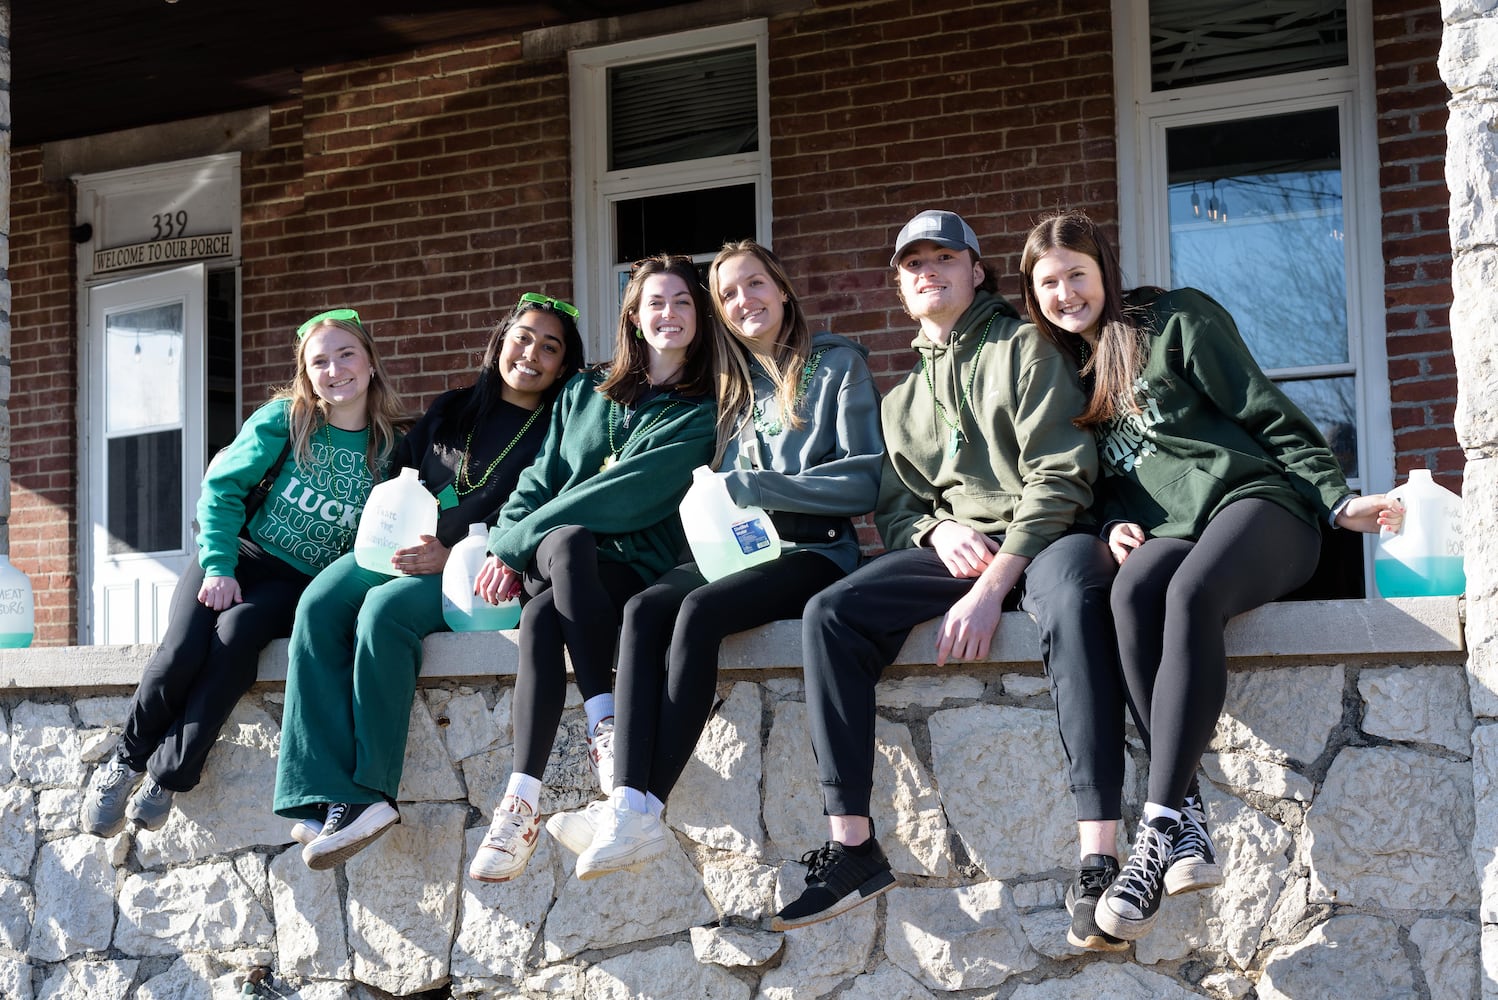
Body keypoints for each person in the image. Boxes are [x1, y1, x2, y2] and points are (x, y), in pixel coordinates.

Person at [1019, 210, 1397, 943]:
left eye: (1077, 273)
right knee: (1131, 591)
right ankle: (1189, 825)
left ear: (1104, 270)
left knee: (1189, 594)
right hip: (1175, 532)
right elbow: (1102, 484)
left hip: (1263, 505)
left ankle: (1157, 827)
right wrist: (1107, 524)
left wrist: (1336, 495)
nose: (1067, 292)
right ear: (1034, 299)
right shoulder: (1072, 380)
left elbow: (1268, 411)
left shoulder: (1175, 320)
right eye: (1049, 284)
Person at [771, 210, 1125, 932]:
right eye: (911, 264)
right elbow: (897, 512)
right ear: (899, 286)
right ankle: (853, 848)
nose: (926, 271)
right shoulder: (903, 401)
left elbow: (1061, 477)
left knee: (1071, 601)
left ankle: (1099, 858)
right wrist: (939, 527)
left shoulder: (1026, 348)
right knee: (831, 613)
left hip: (1050, 537)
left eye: (942, 258)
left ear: (975, 271)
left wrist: (993, 589)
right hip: (964, 551)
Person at [543, 240, 885, 880]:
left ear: (782, 289)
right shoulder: (727, 386)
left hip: (813, 551)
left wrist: (761, 487)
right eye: (727, 295)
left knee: (697, 612)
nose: (743, 301)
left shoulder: (837, 366)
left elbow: (865, 483)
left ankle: (644, 807)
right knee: (645, 609)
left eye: (754, 285)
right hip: (736, 549)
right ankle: (624, 798)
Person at [273, 295, 585, 870]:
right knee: (318, 602)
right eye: (522, 338)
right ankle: (319, 793)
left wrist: (451, 549)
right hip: (400, 545)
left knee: (383, 613)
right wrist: (399, 531)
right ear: (500, 344)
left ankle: (369, 796)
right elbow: (400, 473)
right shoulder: (453, 407)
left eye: (549, 347)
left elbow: (527, 506)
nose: (531, 353)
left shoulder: (559, 429)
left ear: (564, 365)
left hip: (478, 564)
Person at [81, 308, 405, 837]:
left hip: (296, 581)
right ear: (306, 373)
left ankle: (168, 774)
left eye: (346, 354)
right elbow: (222, 490)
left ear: (370, 362)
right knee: (181, 653)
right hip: (238, 553)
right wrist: (218, 566)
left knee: (234, 641)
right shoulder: (287, 419)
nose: (334, 369)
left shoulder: (390, 448)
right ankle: (125, 760)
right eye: (319, 361)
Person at [465, 254, 733, 883]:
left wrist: (514, 543)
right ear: (634, 317)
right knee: (568, 542)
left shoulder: (702, 410)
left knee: (541, 609)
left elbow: (629, 493)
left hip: (633, 570)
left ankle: (521, 800)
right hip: (554, 559)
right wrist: (508, 540)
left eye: (684, 303)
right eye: (655, 303)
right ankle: (603, 722)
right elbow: (536, 480)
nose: (669, 314)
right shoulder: (584, 390)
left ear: (700, 318)